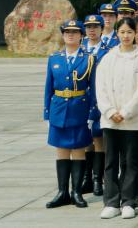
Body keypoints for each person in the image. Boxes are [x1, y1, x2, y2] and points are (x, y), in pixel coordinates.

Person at [95, 16, 138, 219]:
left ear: (136, 34)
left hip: (133, 121)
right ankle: (111, 202)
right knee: (110, 161)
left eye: (130, 32)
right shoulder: (108, 58)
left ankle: (128, 201)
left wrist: (126, 112)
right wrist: (110, 111)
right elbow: (100, 88)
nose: (126, 36)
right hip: (110, 120)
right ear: (116, 33)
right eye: (122, 32)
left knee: (131, 162)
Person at [44, 19, 97, 209]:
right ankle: (62, 192)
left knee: (78, 151)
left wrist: (92, 113)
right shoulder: (54, 58)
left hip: (79, 110)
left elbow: (94, 88)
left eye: (75, 32)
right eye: (67, 32)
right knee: (61, 151)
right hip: (59, 110)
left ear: (81, 35)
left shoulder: (89, 58)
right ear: (63, 35)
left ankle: (76, 192)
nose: (71, 35)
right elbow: (48, 88)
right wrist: (47, 113)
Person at [81, 14, 109, 197]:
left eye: (95, 27)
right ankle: (87, 178)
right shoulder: (80, 49)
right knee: (86, 141)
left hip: (100, 99)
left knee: (99, 138)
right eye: (88, 27)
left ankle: (98, 179)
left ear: (101, 29)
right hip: (82, 101)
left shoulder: (108, 51)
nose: (92, 30)